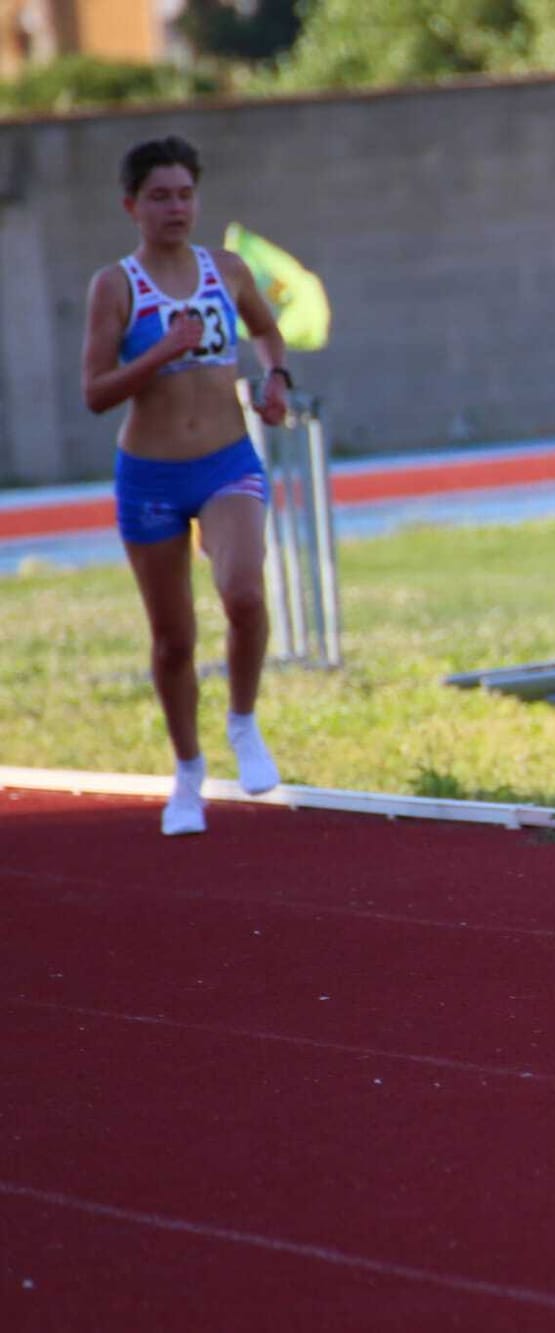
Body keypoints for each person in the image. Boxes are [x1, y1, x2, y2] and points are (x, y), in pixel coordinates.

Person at [81, 135, 292, 836]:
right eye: (160, 197)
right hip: (150, 474)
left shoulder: (225, 270)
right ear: (131, 206)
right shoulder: (116, 286)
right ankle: (188, 773)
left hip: (227, 461)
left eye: (185, 194)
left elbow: (267, 332)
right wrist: (163, 352)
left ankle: (243, 721)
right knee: (173, 640)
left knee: (245, 595)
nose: (175, 208)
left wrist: (276, 378)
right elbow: (95, 392)